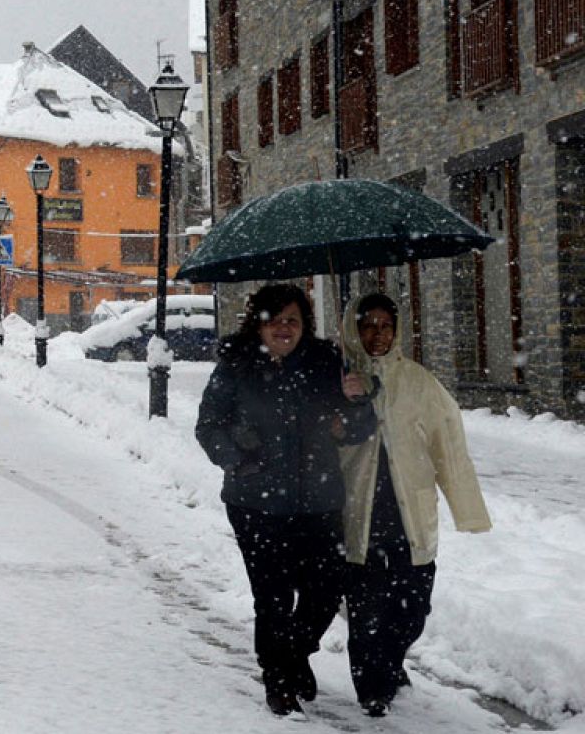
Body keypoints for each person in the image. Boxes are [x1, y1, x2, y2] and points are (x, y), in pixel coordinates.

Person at [195, 283, 376, 716]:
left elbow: (358, 428)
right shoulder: (236, 366)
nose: (284, 328)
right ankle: (278, 680)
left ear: (304, 325)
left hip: (318, 500)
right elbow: (209, 426)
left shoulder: (325, 362)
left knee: (325, 593)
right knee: (273, 597)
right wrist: (239, 458)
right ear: (258, 323)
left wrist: (355, 403)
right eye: (275, 320)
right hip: (256, 503)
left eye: (293, 320)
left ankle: (293, 656)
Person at [338, 293, 490, 718]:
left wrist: (467, 509)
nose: (378, 334)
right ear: (355, 328)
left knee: (412, 610)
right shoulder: (338, 378)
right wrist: (347, 399)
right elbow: (321, 444)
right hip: (359, 515)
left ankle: (390, 661)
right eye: (368, 325)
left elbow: (449, 447)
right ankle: (373, 688)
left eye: (386, 325)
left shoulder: (419, 382)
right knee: (366, 613)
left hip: (410, 518)